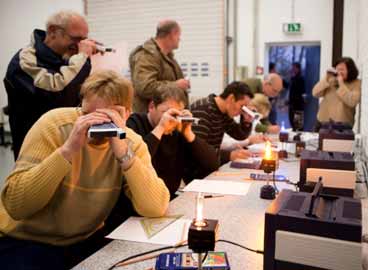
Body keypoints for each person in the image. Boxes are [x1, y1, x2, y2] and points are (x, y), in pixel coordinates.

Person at [0, 70, 170, 270]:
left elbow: (155, 207)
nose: (95, 123)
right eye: (88, 114)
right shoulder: (54, 124)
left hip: (82, 241)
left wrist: (124, 154)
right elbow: (16, 205)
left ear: (127, 113)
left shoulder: (131, 142)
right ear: (81, 105)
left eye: (108, 117)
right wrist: (68, 150)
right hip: (27, 239)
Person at [4, 10, 97, 160]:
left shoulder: (66, 58)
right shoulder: (25, 60)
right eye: (76, 39)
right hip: (35, 151)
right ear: (53, 31)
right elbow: (57, 95)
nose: (80, 45)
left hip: (66, 148)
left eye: (84, 40)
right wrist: (83, 58)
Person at [125, 85, 219, 199]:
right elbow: (135, 162)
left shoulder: (177, 131)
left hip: (169, 197)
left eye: (177, 114)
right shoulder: (134, 123)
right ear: (151, 106)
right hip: (140, 200)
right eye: (168, 113)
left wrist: (188, 133)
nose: (172, 119)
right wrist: (160, 129)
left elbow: (212, 164)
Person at [129, 20, 189, 113]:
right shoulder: (147, 55)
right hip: (149, 121)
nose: (179, 39)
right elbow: (145, 87)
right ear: (172, 34)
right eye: (178, 35)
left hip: (166, 117)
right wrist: (176, 85)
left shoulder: (167, 56)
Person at [190, 81, 254, 164]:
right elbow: (198, 150)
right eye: (242, 106)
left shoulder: (223, 112)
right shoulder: (202, 110)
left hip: (210, 167)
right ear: (231, 98)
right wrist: (229, 155)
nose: (242, 111)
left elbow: (239, 135)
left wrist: (246, 121)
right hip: (197, 173)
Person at [312, 57, 361, 130]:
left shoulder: (356, 83)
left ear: (350, 70)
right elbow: (315, 93)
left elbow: (352, 101)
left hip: (342, 127)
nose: (339, 72)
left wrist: (341, 83)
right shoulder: (332, 80)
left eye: (342, 69)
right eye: (337, 69)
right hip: (322, 123)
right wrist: (326, 78)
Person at [288, 62, 305, 131]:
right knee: (292, 122)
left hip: (298, 105)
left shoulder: (300, 79)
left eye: (294, 67)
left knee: (298, 124)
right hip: (292, 104)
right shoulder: (293, 78)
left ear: (298, 69)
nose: (292, 69)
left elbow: (302, 91)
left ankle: (298, 136)